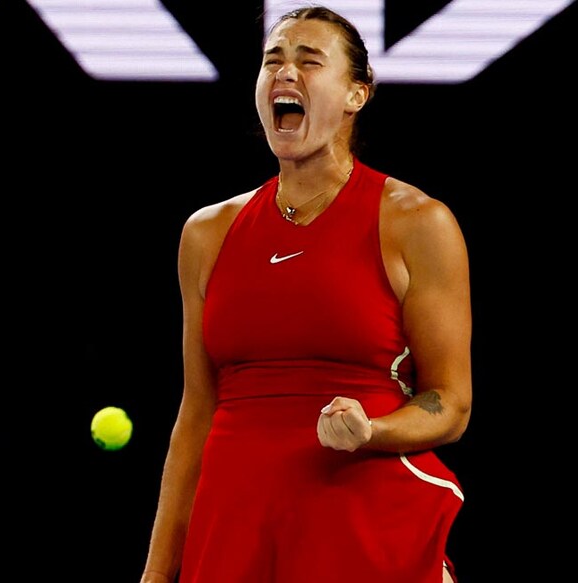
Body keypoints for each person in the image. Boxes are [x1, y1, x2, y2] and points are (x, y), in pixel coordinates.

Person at [139, 5, 472, 583]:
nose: (284, 75)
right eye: (273, 62)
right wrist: (156, 572)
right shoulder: (206, 233)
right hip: (233, 528)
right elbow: (196, 413)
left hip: (364, 529)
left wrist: (373, 429)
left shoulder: (417, 222)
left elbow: (450, 402)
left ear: (355, 95)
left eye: (308, 61)